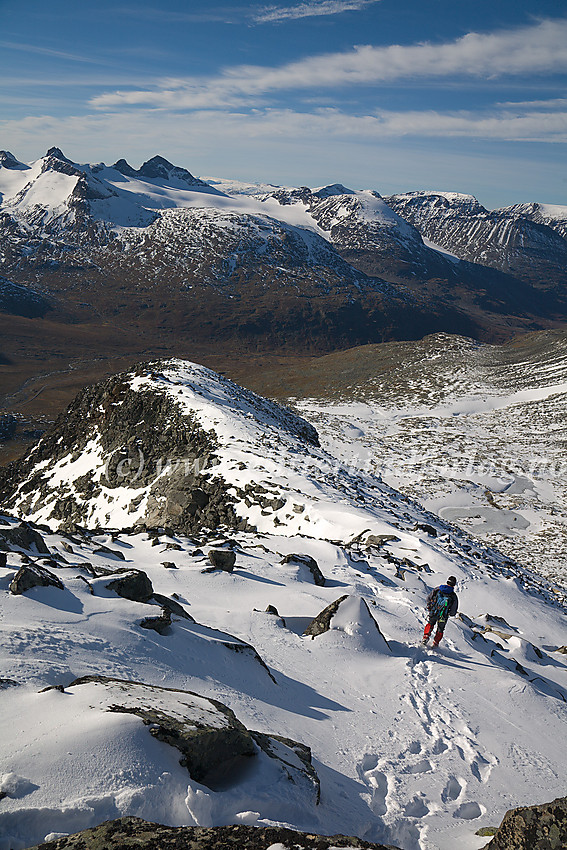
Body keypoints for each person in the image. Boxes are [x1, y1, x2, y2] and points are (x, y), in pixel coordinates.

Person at [422, 576, 458, 647]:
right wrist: (449, 613)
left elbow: (428, 598)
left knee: (430, 624)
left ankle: (426, 637)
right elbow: (453, 611)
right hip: (443, 616)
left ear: (447, 582)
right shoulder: (453, 596)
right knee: (440, 629)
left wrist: (430, 606)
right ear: (454, 584)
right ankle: (435, 643)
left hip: (434, 611)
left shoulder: (438, 589)